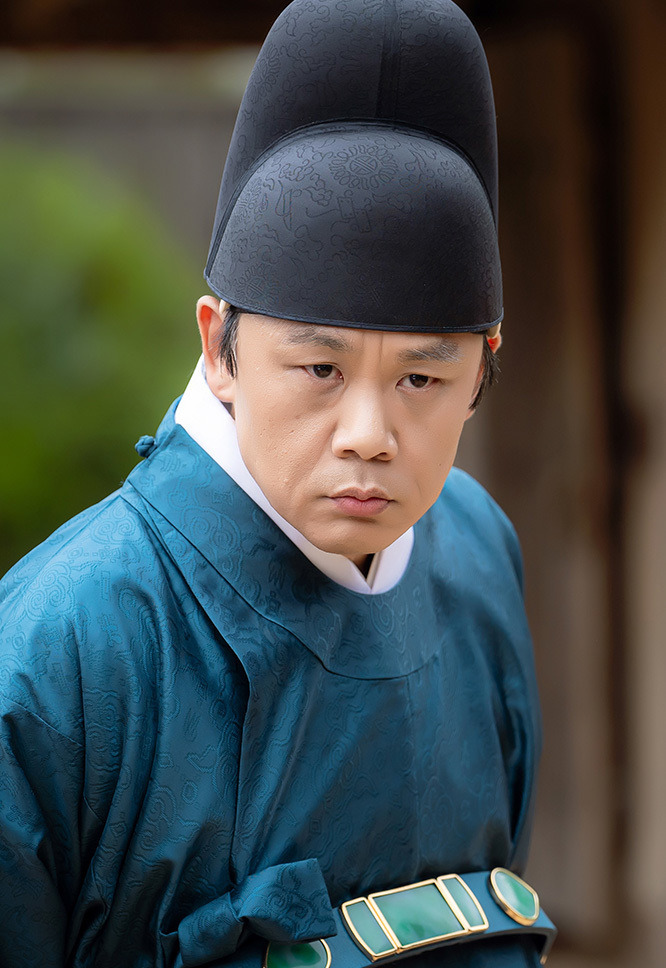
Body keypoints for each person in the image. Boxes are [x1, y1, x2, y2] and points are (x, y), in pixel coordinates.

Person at [0, 1, 556, 966]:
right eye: (320, 368)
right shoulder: (62, 644)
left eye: (422, 379)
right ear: (220, 344)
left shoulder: (476, 550)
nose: (368, 437)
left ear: (484, 367)